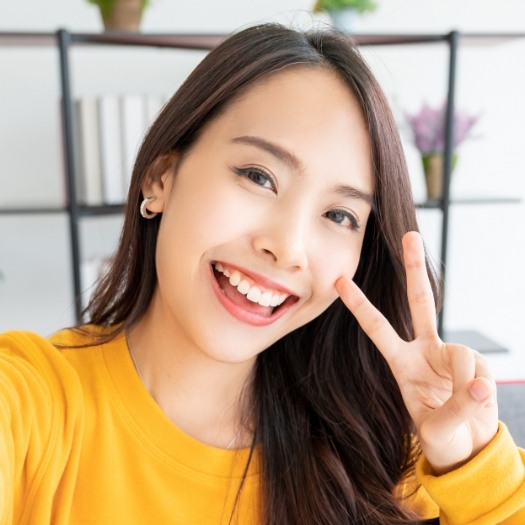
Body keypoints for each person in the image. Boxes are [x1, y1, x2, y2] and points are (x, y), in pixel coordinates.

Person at [1, 23, 524, 525]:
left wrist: (472, 470)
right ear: (160, 178)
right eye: (259, 177)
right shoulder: (30, 402)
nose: (288, 247)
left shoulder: (385, 449)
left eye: (339, 215)